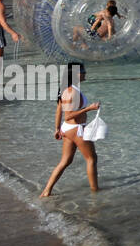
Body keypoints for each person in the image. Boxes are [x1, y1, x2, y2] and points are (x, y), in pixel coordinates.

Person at [39, 63, 100, 197]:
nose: (85, 72)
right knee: (91, 159)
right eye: (82, 70)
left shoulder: (65, 90)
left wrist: (57, 128)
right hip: (77, 129)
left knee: (65, 161)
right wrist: (89, 108)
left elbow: (58, 110)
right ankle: (95, 192)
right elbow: (68, 115)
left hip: (67, 129)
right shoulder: (72, 92)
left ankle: (47, 190)